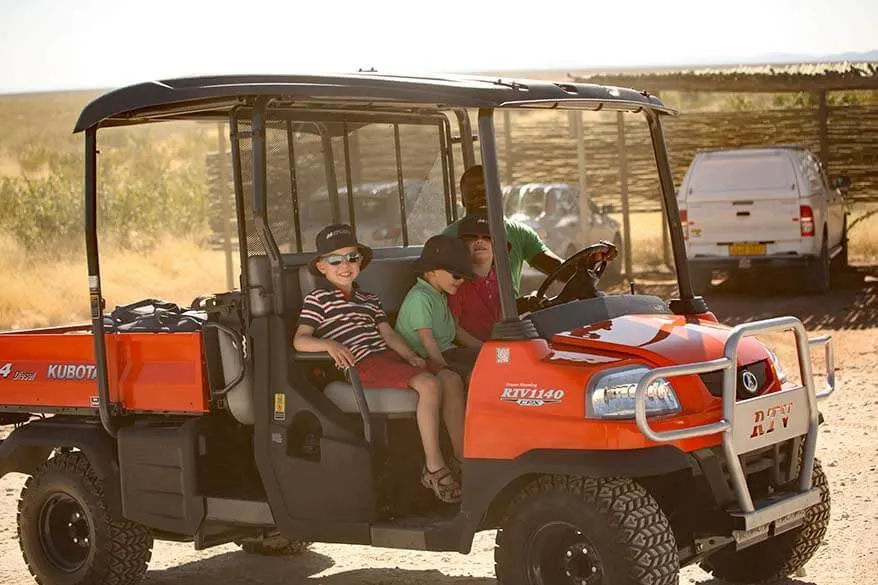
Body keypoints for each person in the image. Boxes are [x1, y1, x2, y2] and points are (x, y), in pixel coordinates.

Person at [293, 224, 465, 504]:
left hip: (388, 358)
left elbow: (388, 333)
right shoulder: (318, 300)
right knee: (429, 384)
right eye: (335, 261)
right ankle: (434, 467)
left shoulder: (369, 300)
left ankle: (461, 458)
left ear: (360, 261)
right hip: (362, 364)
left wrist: (409, 354)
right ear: (322, 267)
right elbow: (301, 340)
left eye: (351, 257)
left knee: (451, 378)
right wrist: (329, 345)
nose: (345, 266)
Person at [442, 165, 570, 296]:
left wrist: (585, 268)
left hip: (509, 315)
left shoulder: (520, 233)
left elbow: (559, 269)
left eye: (486, 193)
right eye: (474, 194)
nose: (482, 198)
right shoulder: (447, 239)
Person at [395, 234, 482, 383]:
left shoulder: (439, 294)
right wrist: (445, 369)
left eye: (464, 277)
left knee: (492, 362)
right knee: (475, 376)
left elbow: (456, 331)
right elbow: (428, 341)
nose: (461, 281)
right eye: (456, 275)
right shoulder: (420, 298)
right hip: (427, 357)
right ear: (431, 271)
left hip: (449, 350)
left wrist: (487, 349)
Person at [449, 213, 501, 342]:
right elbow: (454, 329)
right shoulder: (456, 282)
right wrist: (484, 350)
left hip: (499, 347)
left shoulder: (503, 278)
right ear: (461, 246)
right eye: (471, 237)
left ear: (498, 246)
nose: (480, 240)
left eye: (487, 237)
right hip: (471, 352)